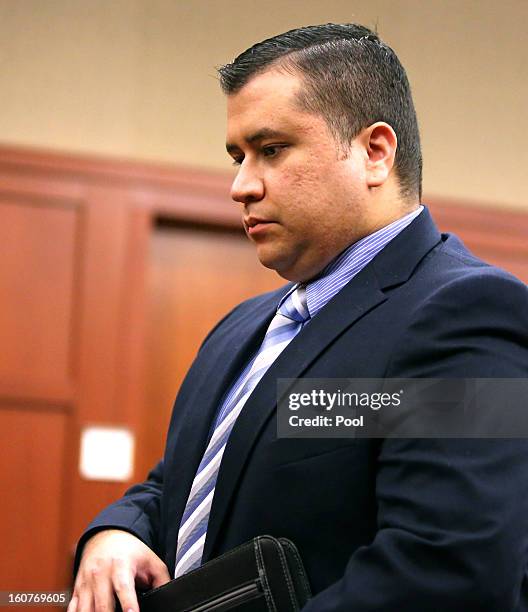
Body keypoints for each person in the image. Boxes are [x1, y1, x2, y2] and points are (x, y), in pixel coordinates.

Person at [68, 23, 528, 611]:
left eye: (272, 150)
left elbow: (446, 574)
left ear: (374, 153)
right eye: (238, 157)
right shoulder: (241, 328)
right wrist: (117, 531)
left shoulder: (465, 315)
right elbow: (179, 486)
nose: (240, 186)